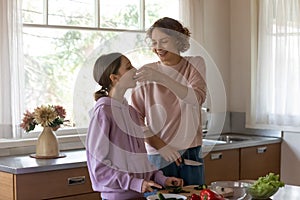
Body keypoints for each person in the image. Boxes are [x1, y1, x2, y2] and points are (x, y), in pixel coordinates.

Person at [85, 52, 183, 200]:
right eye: (128, 67)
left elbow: (140, 159)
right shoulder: (103, 112)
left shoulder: (131, 112)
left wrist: (161, 179)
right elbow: (99, 168)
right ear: (114, 78)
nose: (134, 69)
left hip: (138, 195)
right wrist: (133, 183)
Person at [131, 17, 207, 185]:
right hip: (159, 154)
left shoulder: (195, 64)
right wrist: (160, 146)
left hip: (190, 150)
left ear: (179, 40)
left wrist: (161, 78)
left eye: (164, 41)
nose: (158, 48)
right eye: (154, 42)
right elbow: (134, 118)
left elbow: (196, 98)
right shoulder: (146, 72)